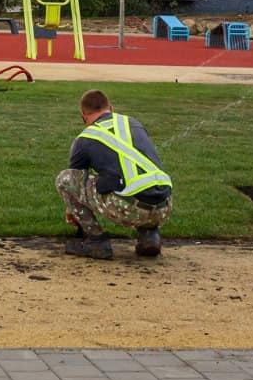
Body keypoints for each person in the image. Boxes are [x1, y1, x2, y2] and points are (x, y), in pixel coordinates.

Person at [55, 88, 172, 259]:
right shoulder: (133, 123)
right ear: (111, 108)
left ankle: (96, 241)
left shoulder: (85, 138)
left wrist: (72, 210)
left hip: (128, 208)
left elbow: (75, 180)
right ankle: (150, 236)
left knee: (64, 179)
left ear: (83, 116)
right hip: (164, 206)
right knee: (136, 181)